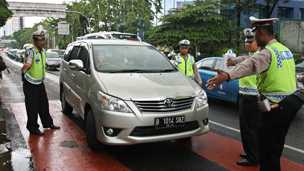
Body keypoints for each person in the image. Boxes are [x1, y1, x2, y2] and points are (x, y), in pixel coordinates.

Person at [206, 17, 298, 171]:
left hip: (273, 109)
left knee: (268, 153)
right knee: (274, 149)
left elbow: (251, 64)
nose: (252, 39)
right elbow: (248, 59)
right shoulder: (284, 50)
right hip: (287, 106)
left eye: (254, 35)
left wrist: (226, 76)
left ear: (261, 33)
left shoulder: (267, 53)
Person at [226, 28, 261, 166]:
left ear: (258, 42)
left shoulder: (259, 56)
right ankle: (252, 151)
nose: (248, 44)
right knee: (251, 127)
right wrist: (233, 61)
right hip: (245, 94)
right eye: (246, 41)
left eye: (251, 41)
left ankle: (253, 157)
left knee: (249, 128)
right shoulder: (251, 55)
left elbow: (245, 61)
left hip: (252, 96)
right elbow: (243, 58)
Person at [20, 26, 60, 136]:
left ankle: (48, 123)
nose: (42, 42)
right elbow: (29, 59)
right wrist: (27, 65)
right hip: (30, 83)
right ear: (34, 41)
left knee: (44, 104)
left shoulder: (43, 52)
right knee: (32, 107)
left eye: (43, 40)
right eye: (39, 40)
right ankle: (32, 127)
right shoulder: (31, 51)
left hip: (40, 82)